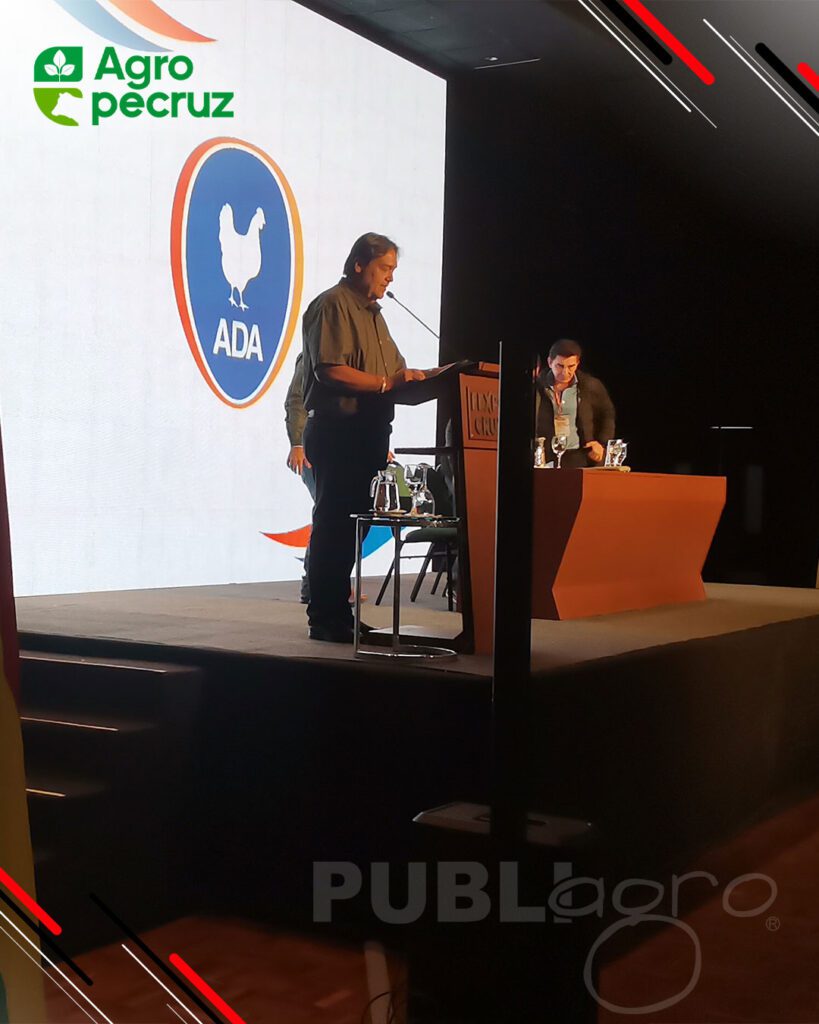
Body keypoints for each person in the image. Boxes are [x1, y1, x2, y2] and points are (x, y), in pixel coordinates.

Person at [302, 233, 427, 642]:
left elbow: (395, 373)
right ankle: (325, 618)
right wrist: (386, 383)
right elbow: (329, 370)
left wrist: (421, 380)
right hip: (338, 432)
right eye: (385, 268)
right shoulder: (332, 304)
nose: (390, 277)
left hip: (369, 434)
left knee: (350, 528)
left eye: (393, 270)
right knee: (334, 526)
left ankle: (340, 614)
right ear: (359, 264)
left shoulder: (376, 317)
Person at [535, 339, 615, 468]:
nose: (565, 372)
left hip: (580, 455)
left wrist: (601, 443)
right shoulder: (537, 387)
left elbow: (607, 414)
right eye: (560, 366)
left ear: (577, 363)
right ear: (550, 362)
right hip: (547, 457)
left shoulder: (590, 386)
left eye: (571, 366)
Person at [284, 352, 315, 603]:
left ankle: (329, 583)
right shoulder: (313, 353)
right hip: (315, 448)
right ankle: (313, 585)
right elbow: (296, 399)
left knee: (338, 518)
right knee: (328, 515)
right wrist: (297, 443)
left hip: (343, 447)